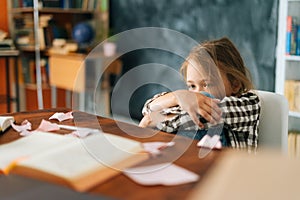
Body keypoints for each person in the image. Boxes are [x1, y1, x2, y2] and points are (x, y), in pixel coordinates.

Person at [139, 37, 261, 150]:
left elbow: (201, 117)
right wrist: (177, 97)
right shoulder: (187, 103)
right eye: (192, 86)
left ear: (235, 84)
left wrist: (154, 119)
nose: (197, 93)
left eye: (207, 84)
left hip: (227, 171)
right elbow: (147, 107)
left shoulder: (249, 104)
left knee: (206, 101)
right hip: (191, 165)